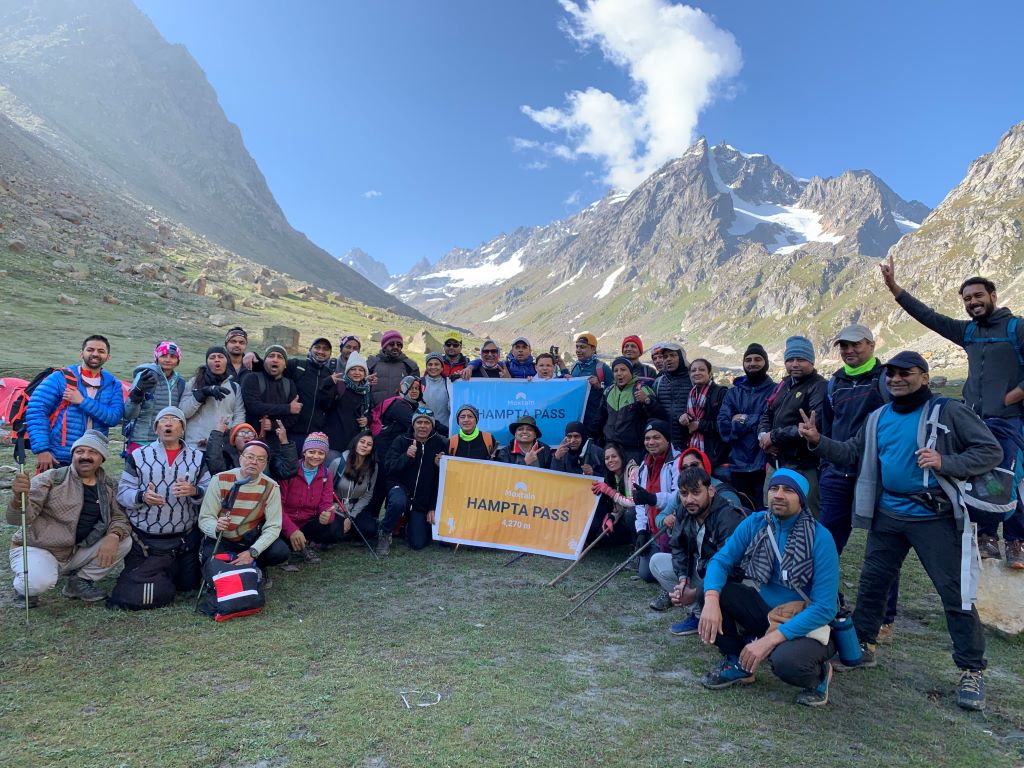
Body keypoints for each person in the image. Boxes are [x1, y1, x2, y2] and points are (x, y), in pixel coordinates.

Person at [801, 350, 1003, 711]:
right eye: (890, 373)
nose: (895, 379)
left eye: (904, 373)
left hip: (934, 515)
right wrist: (818, 440)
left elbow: (990, 451)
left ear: (924, 377)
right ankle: (863, 646)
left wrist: (947, 461)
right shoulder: (878, 417)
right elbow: (851, 453)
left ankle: (972, 670)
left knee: (954, 591)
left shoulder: (948, 410)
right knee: (873, 583)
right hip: (888, 514)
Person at [882, 258, 1024, 569]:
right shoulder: (968, 332)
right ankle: (986, 536)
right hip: (975, 418)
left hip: (1009, 418)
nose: (973, 302)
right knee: (977, 477)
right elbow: (929, 317)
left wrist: (1014, 395)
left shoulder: (1017, 327)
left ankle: (1016, 541)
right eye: (967, 299)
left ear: (993, 295)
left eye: (978, 296)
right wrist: (895, 289)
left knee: (1008, 477)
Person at [698, 469, 840, 707]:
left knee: (786, 662)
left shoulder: (820, 538)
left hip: (805, 620)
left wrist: (769, 641)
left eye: (788, 490)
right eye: (774, 488)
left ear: (802, 499)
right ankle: (739, 663)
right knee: (713, 592)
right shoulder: (756, 523)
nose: (779, 495)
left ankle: (819, 675)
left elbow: (825, 608)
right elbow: (720, 561)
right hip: (768, 612)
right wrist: (711, 599)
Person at [819, 324, 898, 639]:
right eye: (844, 346)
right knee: (825, 545)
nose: (849, 351)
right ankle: (828, 604)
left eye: (856, 345)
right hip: (837, 475)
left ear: (871, 344)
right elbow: (828, 424)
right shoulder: (834, 382)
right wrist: (827, 463)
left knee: (883, 549)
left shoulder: (885, 380)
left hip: (875, 477)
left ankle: (884, 619)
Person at [7, 430, 131, 605]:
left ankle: (79, 581)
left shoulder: (108, 485)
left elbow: (120, 517)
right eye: (80, 452)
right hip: (40, 547)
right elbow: (18, 519)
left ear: (102, 458)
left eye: (92, 452)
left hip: (74, 551)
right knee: (37, 583)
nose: (85, 457)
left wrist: (114, 535)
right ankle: (26, 585)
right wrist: (18, 499)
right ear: (73, 455)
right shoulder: (52, 478)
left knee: (124, 541)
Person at [114, 407, 211, 602]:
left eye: (175, 420)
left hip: (183, 537)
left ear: (182, 429)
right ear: (156, 428)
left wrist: (195, 491)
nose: (168, 423)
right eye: (163, 420)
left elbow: (210, 490)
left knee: (188, 585)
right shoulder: (138, 456)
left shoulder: (198, 458)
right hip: (145, 537)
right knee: (153, 586)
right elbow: (122, 493)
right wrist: (142, 496)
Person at [648, 466, 745, 636]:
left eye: (695, 492)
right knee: (657, 562)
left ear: (711, 491)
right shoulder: (683, 511)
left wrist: (696, 592)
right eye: (684, 494)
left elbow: (732, 568)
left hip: (730, 578)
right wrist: (683, 579)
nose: (689, 499)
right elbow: (678, 547)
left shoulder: (727, 517)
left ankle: (731, 621)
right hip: (701, 570)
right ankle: (700, 616)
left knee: (716, 581)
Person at [26, 335, 125, 472]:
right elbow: (36, 411)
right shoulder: (59, 378)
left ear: (108, 357)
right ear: (81, 353)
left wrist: (82, 401)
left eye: (101, 351)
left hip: (92, 458)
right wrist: (42, 449)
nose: (95, 354)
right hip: (58, 457)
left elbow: (113, 418)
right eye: (90, 349)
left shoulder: (113, 384)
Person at [757, 335, 826, 515]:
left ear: (811, 361)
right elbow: (766, 413)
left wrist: (773, 437)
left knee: (806, 513)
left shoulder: (819, 387)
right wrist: (763, 436)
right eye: (790, 359)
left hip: (803, 464)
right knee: (771, 510)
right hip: (776, 462)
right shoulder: (784, 384)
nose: (795, 364)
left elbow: (811, 426)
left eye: (801, 359)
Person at [198, 440, 289, 572]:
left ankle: (257, 566)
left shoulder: (271, 486)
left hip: (250, 538)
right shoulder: (220, 479)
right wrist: (215, 526)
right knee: (210, 560)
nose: (254, 462)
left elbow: (274, 526)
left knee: (280, 551)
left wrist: (253, 551)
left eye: (260, 459)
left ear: (264, 464)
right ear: (241, 458)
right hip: (222, 537)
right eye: (250, 457)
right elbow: (205, 518)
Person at [379, 409, 446, 554]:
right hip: (400, 489)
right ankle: (385, 533)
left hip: (421, 500)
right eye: (419, 422)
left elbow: (440, 481)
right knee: (397, 502)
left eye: (427, 422)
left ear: (432, 425)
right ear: (413, 424)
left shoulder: (439, 443)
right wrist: (406, 457)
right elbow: (389, 468)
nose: (423, 426)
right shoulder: (401, 440)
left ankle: (405, 525)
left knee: (418, 543)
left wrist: (432, 507)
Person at [718, 343, 775, 508]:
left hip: (764, 463)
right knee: (742, 513)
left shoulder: (775, 390)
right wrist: (756, 422)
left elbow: (772, 424)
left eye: (758, 359)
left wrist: (742, 419)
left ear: (766, 363)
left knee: (766, 511)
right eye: (748, 360)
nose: (752, 363)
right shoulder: (733, 393)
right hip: (738, 465)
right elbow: (724, 428)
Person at [278, 432, 344, 563]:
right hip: (285, 522)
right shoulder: (290, 471)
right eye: (311, 452)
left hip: (308, 521)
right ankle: (298, 543)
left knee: (337, 524)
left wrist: (327, 515)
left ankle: (306, 543)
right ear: (304, 452)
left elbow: (326, 502)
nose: (316, 456)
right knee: (280, 550)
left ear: (325, 455)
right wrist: (291, 530)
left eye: (321, 453)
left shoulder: (326, 473)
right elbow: (277, 506)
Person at [629, 420, 678, 585]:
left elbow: (680, 497)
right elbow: (641, 504)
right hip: (653, 527)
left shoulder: (677, 462)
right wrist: (641, 530)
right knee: (646, 574)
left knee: (656, 571)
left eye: (656, 437)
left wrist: (653, 498)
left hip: (672, 525)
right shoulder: (644, 465)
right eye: (647, 438)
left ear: (667, 439)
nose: (651, 442)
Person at [601, 356, 666, 463]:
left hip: (634, 449)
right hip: (611, 448)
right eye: (615, 370)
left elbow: (659, 416)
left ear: (631, 372)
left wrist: (647, 401)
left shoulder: (642, 389)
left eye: (623, 369)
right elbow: (601, 418)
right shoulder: (608, 391)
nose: (619, 373)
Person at [123, 341, 185, 452]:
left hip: (168, 441)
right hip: (142, 439)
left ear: (178, 360)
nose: (168, 359)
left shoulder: (180, 382)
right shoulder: (145, 375)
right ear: (156, 357)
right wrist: (137, 393)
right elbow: (129, 413)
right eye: (164, 355)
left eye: (173, 356)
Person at [179, 346, 245, 448]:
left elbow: (239, 414)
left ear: (227, 361)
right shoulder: (194, 383)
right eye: (212, 357)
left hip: (223, 446)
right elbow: (183, 412)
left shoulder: (234, 387)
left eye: (220, 357)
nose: (217, 360)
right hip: (196, 445)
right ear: (207, 362)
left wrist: (229, 434)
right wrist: (202, 394)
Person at [241, 345, 302, 448]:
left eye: (280, 357)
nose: (275, 360)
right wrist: (287, 408)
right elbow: (254, 407)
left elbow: (293, 417)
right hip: (251, 441)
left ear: (285, 365)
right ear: (264, 361)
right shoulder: (252, 378)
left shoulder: (289, 384)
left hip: (278, 444)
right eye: (271, 356)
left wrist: (274, 425)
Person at [204, 420, 298, 482]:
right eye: (241, 433)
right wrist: (217, 433)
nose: (247, 436)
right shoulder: (227, 457)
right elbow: (215, 465)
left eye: (250, 433)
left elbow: (288, 471)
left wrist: (285, 442)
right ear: (233, 441)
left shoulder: (268, 458)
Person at [283, 337, 337, 445]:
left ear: (330, 353)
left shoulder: (331, 376)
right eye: (317, 347)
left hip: (315, 436)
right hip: (290, 431)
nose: (321, 351)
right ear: (310, 350)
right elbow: (272, 366)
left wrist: (325, 385)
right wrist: (253, 356)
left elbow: (327, 405)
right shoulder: (296, 365)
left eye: (325, 349)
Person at [328, 430, 379, 542]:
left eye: (369, 444)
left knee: (369, 530)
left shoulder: (373, 467)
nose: (365, 446)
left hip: (355, 508)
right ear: (356, 442)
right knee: (333, 532)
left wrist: (351, 517)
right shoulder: (338, 463)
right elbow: (326, 490)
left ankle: (349, 529)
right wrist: (334, 506)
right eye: (362, 442)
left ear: (372, 449)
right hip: (336, 507)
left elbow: (368, 495)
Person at [680, 358, 729, 473]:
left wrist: (699, 425)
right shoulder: (691, 395)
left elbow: (725, 426)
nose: (697, 373)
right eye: (693, 370)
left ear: (710, 374)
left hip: (717, 457)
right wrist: (683, 419)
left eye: (701, 369)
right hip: (694, 453)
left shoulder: (721, 393)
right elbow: (690, 425)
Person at [324, 351, 371, 462]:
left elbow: (370, 411)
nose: (357, 373)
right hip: (334, 442)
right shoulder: (340, 385)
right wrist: (327, 383)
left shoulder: (366, 391)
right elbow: (324, 404)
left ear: (365, 373)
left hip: (354, 444)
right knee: (330, 475)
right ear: (347, 371)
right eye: (353, 369)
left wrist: (368, 419)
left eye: (360, 370)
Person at [589, 442, 638, 544]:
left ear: (621, 457)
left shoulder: (633, 471)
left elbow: (633, 503)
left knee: (631, 513)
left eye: (614, 456)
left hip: (639, 515)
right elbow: (619, 505)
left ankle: (637, 544)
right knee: (603, 538)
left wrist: (610, 491)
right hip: (623, 515)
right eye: (607, 458)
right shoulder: (614, 475)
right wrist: (612, 516)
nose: (610, 460)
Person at [570, 333, 613, 441]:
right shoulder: (575, 367)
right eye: (577, 347)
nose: (578, 350)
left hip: (595, 422)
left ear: (593, 349)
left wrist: (599, 386)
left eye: (583, 347)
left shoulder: (603, 368)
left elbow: (614, 392)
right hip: (578, 418)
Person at [651, 342, 692, 451]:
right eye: (665, 356)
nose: (668, 359)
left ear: (681, 357)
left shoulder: (693, 380)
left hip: (690, 442)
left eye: (673, 355)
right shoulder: (658, 383)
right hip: (665, 446)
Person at [368, 330, 420, 406]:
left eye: (399, 344)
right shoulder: (372, 364)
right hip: (375, 413)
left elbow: (416, 395)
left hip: (401, 413)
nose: (395, 347)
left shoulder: (410, 366)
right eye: (391, 344)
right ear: (384, 346)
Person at [420, 352, 453, 433]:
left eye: (436, 364)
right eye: (430, 364)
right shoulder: (419, 383)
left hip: (444, 429)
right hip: (423, 430)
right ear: (426, 367)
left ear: (442, 367)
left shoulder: (449, 384)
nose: (433, 367)